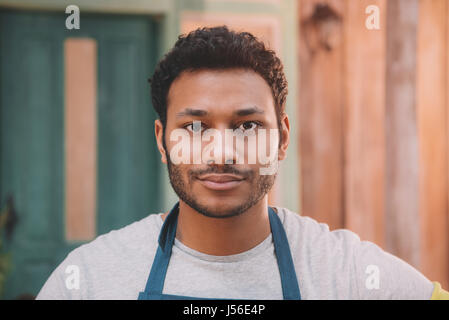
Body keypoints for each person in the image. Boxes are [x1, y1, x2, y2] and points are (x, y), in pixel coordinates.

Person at [37, 26, 448, 300]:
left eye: (247, 126)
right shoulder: (89, 281)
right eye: (195, 127)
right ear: (162, 140)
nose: (222, 152)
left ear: (282, 137)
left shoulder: (350, 277)